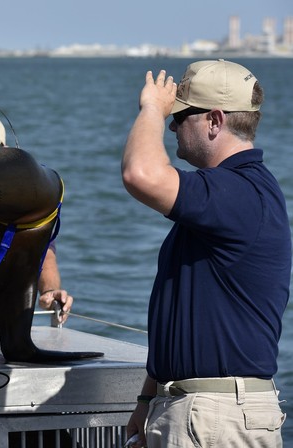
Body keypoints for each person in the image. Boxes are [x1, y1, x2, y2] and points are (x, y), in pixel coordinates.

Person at [121, 60, 289, 446]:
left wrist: (151, 107)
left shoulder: (238, 193)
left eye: (179, 116)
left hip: (215, 415)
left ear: (215, 120)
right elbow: (186, 312)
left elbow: (140, 175)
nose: (171, 126)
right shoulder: (222, 199)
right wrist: (149, 398)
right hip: (197, 408)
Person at [0, 113, 73, 323]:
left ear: (3, 151)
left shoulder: (25, 199)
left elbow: (43, 251)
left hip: (0, 313)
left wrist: (50, 291)